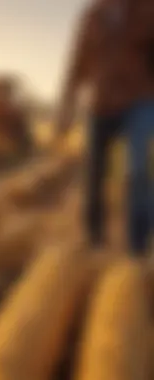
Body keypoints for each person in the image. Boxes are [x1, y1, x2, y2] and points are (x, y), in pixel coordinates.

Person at [54, 0, 154, 255]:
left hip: (140, 98)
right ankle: (95, 240)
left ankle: (138, 249)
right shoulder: (92, 16)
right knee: (94, 172)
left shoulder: (147, 9)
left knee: (139, 169)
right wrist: (66, 108)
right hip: (101, 103)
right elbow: (77, 63)